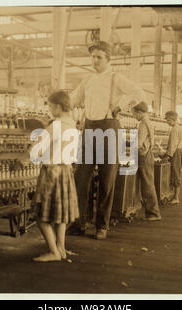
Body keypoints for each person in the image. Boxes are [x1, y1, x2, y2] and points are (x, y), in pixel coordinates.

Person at [68, 40, 146, 240]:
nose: (95, 61)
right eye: (93, 57)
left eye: (99, 57)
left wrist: (122, 105)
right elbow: (72, 100)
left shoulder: (115, 78)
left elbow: (138, 93)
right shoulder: (87, 80)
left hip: (109, 128)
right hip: (88, 129)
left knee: (106, 179)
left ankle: (102, 225)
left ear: (108, 59)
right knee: (80, 178)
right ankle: (79, 222)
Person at [30, 91, 79, 262]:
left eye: (51, 106)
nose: (50, 110)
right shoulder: (73, 125)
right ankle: (61, 248)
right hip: (65, 171)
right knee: (60, 215)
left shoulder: (55, 125)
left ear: (58, 106)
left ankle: (53, 252)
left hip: (51, 172)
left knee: (41, 216)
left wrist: (20, 160)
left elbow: (36, 149)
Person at [132, 102, 162, 221]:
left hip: (143, 156)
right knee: (147, 184)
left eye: (134, 113)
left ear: (139, 112)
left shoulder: (143, 124)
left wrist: (126, 145)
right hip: (147, 154)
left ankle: (154, 213)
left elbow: (139, 143)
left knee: (147, 185)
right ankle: (149, 211)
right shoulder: (149, 122)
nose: (134, 116)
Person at [160, 111, 182, 205]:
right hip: (177, 152)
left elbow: (173, 146)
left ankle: (176, 198)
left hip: (175, 154)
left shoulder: (174, 130)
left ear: (172, 119)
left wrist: (167, 155)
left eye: (168, 120)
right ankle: (174, 196)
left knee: (176, 174)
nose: (167, 122)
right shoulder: (177, 128)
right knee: (175, 173)